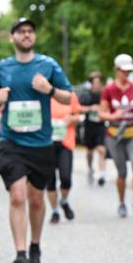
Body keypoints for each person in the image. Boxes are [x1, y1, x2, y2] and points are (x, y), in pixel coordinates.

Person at [0, 18, 73, 263]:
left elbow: (68, 97)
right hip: (11, 141)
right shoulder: (3, 67)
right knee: (17, 196)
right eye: (21, 32)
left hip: (41, 143)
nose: (26, 35)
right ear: (12, 38)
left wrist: (49, 90)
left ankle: (35, 246)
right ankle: (20, 254)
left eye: (30, 31)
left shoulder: (48, 65)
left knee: (36, 200)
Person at [100, 54, 133, 218]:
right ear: (117, 70)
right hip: (114, 135)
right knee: (122, 172)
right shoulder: (108, 89)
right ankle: (121, 203)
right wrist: (113, 116)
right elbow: (102, 114)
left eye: (129, 71)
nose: (126, 74)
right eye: (124, 71)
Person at [47, 87, 82, 223]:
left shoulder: (69, 95)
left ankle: (64, 201)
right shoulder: (43, 94)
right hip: (46, 144)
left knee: (66, 177)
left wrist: (71, 119)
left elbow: (79, 116)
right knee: (50, 181)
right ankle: (54, 211)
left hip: (65, 142)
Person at [78, 72, 108, 186]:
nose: (97, 84)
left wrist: (104, 111)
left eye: (99, 82)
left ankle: (102, 174)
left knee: (101, 149)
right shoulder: (86, 95)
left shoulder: (104, 94)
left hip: (100, 125)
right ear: (91, 83)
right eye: (95, 82)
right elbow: (78, 108)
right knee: (90, 150)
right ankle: (90, 168)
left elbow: (109, 107)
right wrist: (91, 108)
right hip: (89, 125)